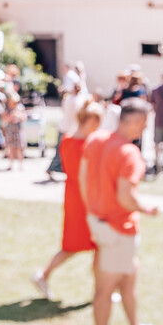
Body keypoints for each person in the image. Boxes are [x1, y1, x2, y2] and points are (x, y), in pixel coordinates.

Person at [82, 99, 159, 325]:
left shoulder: (96, 140)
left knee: (129, 280)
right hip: (118, 229)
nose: (144, 129)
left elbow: (82, 177)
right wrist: (147, 208)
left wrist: (93, 210)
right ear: (136, 122)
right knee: (105, 291)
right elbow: (126, 197)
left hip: (101, 224)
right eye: (144, 124)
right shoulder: (129, 153)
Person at [34, 102, 103, 298]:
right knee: (93, 244)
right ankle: (100, 290)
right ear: (92, 121)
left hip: (72, 195)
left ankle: (44, 275)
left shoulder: (67, 140)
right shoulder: (89, 144)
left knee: (80, 244)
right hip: (86, 198)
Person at [0, 94, 26, 169]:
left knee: (19, 148)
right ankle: (11, 164)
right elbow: (5, 119)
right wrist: (12, 116)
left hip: (18, 131)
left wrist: (18, 115)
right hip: (10, 131)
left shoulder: (20, 108)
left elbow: (24, 117)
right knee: (10, 148)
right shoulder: (7, 109)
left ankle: (21, 165)